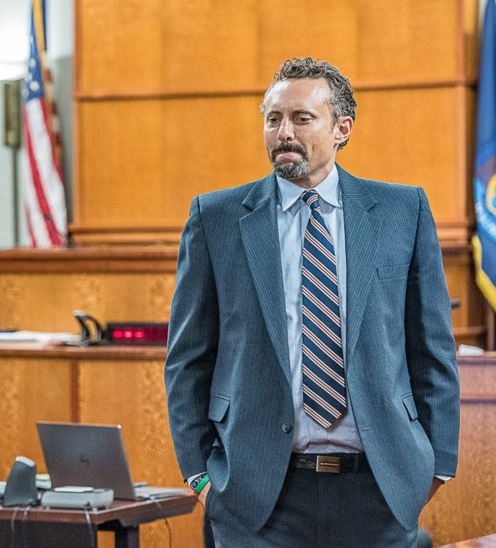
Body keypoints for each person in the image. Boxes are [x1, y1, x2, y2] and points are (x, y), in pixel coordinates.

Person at [164, 57, 460, 547]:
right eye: (273, 118)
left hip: (379, 489)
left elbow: (432, 351)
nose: (284, 132)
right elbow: (188, 360)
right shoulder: (214, 217)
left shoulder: (401, 211)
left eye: (302, 118)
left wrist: (435, 468)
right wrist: (200, 476)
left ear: (342, 128)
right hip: (258, 497)